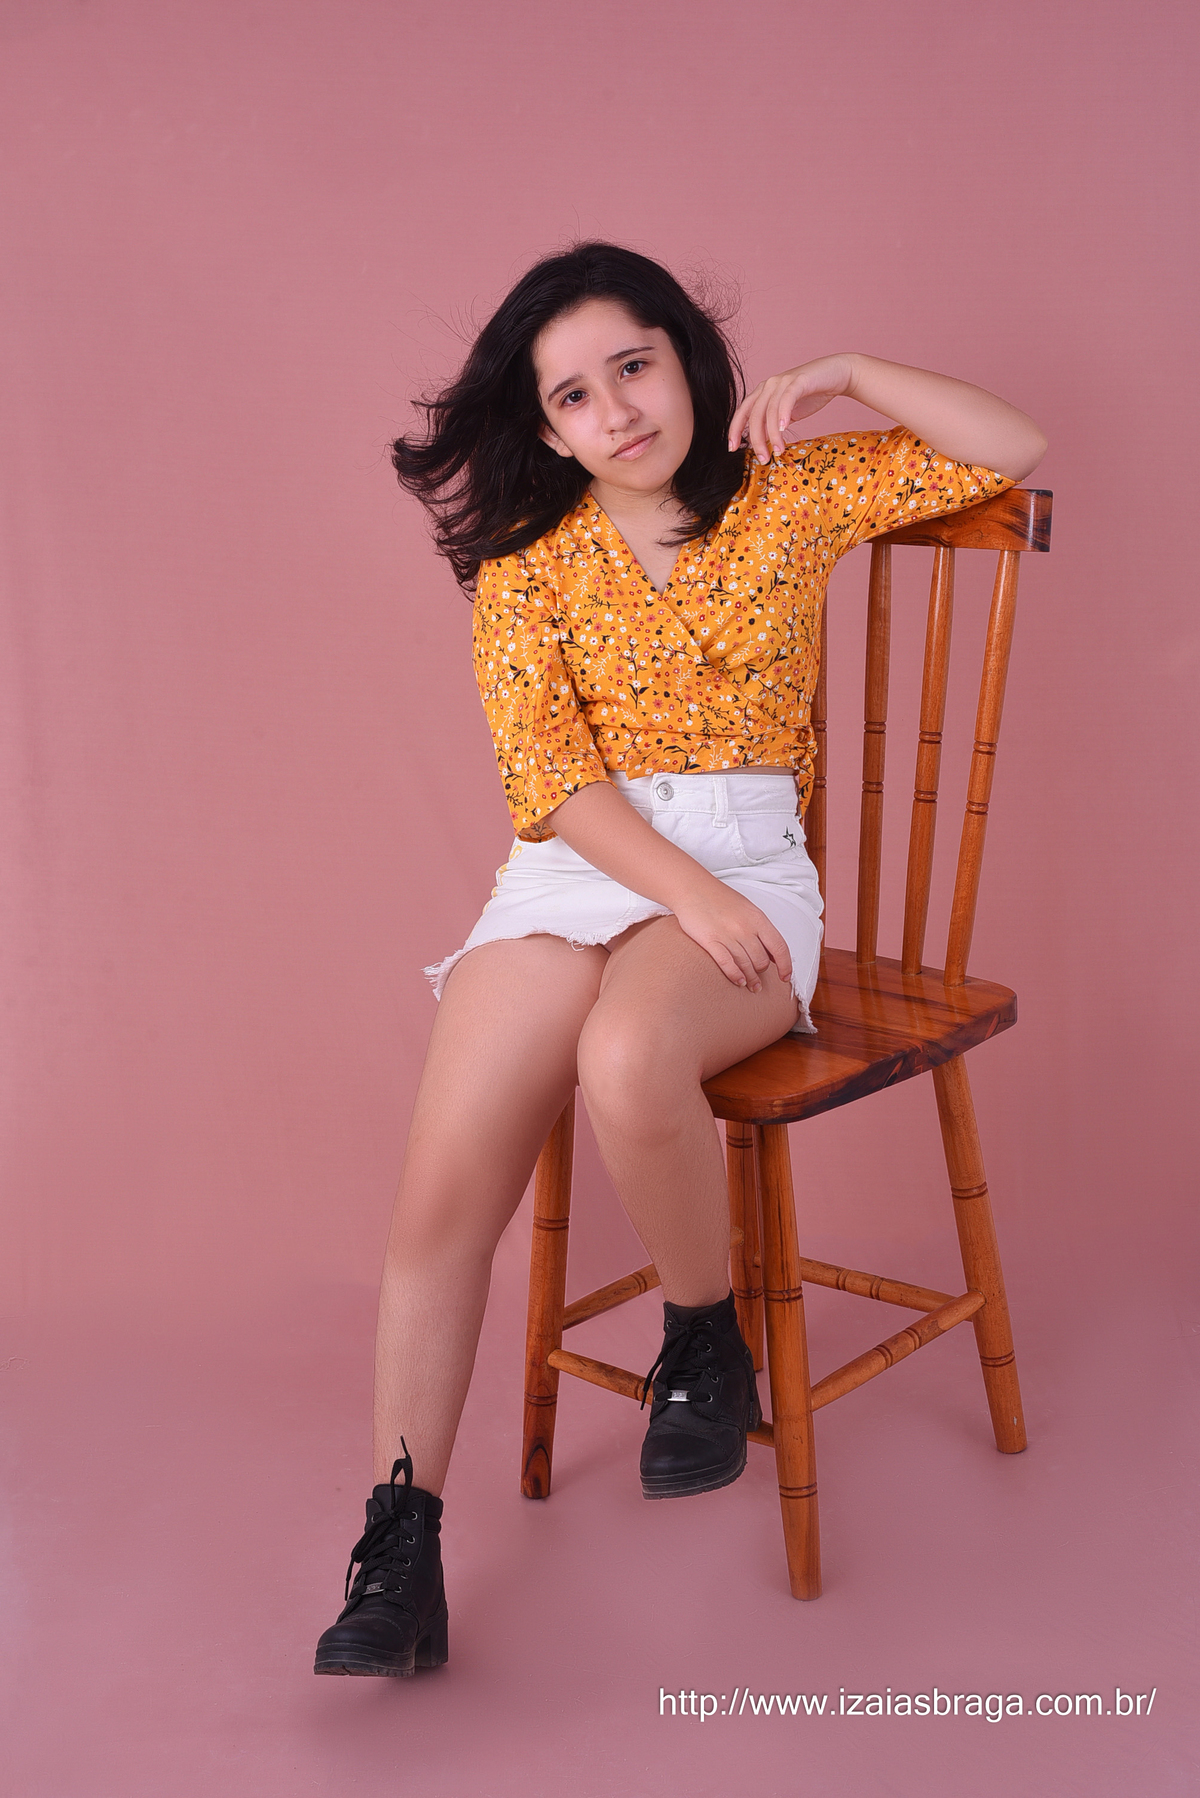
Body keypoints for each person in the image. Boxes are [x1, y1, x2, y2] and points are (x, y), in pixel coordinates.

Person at [313, 241, 1046, 1677]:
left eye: (634, 366)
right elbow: (553, 785)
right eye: (575, 396)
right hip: (582, 863)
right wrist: (679, 894)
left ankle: (702, 1333)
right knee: (443, 1187)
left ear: (686, 360)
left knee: (629, 1053)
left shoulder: (787, 495)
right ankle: (400, 1539)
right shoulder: (525, 568)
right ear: (548, 432)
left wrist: (846, 373)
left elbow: (1010, 446)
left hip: (750, 861)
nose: (618, 410)